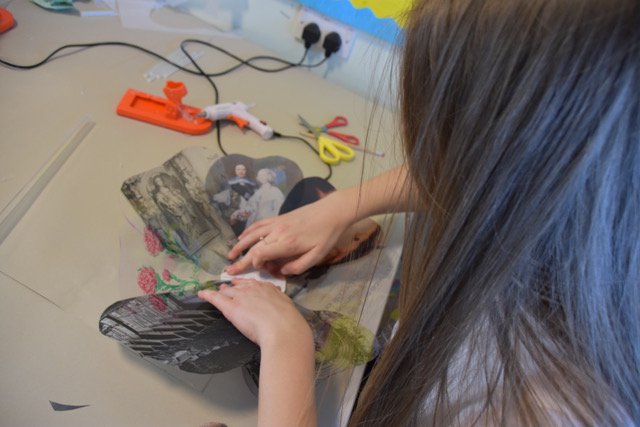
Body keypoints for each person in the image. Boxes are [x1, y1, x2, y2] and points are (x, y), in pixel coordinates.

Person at [198, 0, 640, 425]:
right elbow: (467, 176)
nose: (427, 158)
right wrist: (339, 206)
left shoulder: (548, 409)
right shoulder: (594, 208)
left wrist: (287, 348)